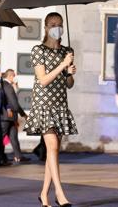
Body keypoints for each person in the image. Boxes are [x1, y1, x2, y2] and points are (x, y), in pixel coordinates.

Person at [24, 12, 78, 207]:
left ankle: (44, 195)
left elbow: (69, 84)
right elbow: (43, 80)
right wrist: (62, 65)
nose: (57, 27)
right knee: (52, 148)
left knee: (53, 152)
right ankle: (60, 194)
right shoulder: (38, 50)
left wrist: (69, 71)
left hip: (60, 105)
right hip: (44, 104)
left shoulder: (67, 51)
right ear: (46, 28)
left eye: (60, 24)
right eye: (53, 24)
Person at [1, 69, 28, 164]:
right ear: (10, 76)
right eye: (14, 75)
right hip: (6, 116)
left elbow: (14, 102)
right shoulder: (6, 85)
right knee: (1, 136)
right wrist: (20, 112)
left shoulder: (9, 86)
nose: (15, 77)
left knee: (13, 137)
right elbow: (14, 103)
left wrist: (23, 114)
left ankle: (18, 156)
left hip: (11, 116)